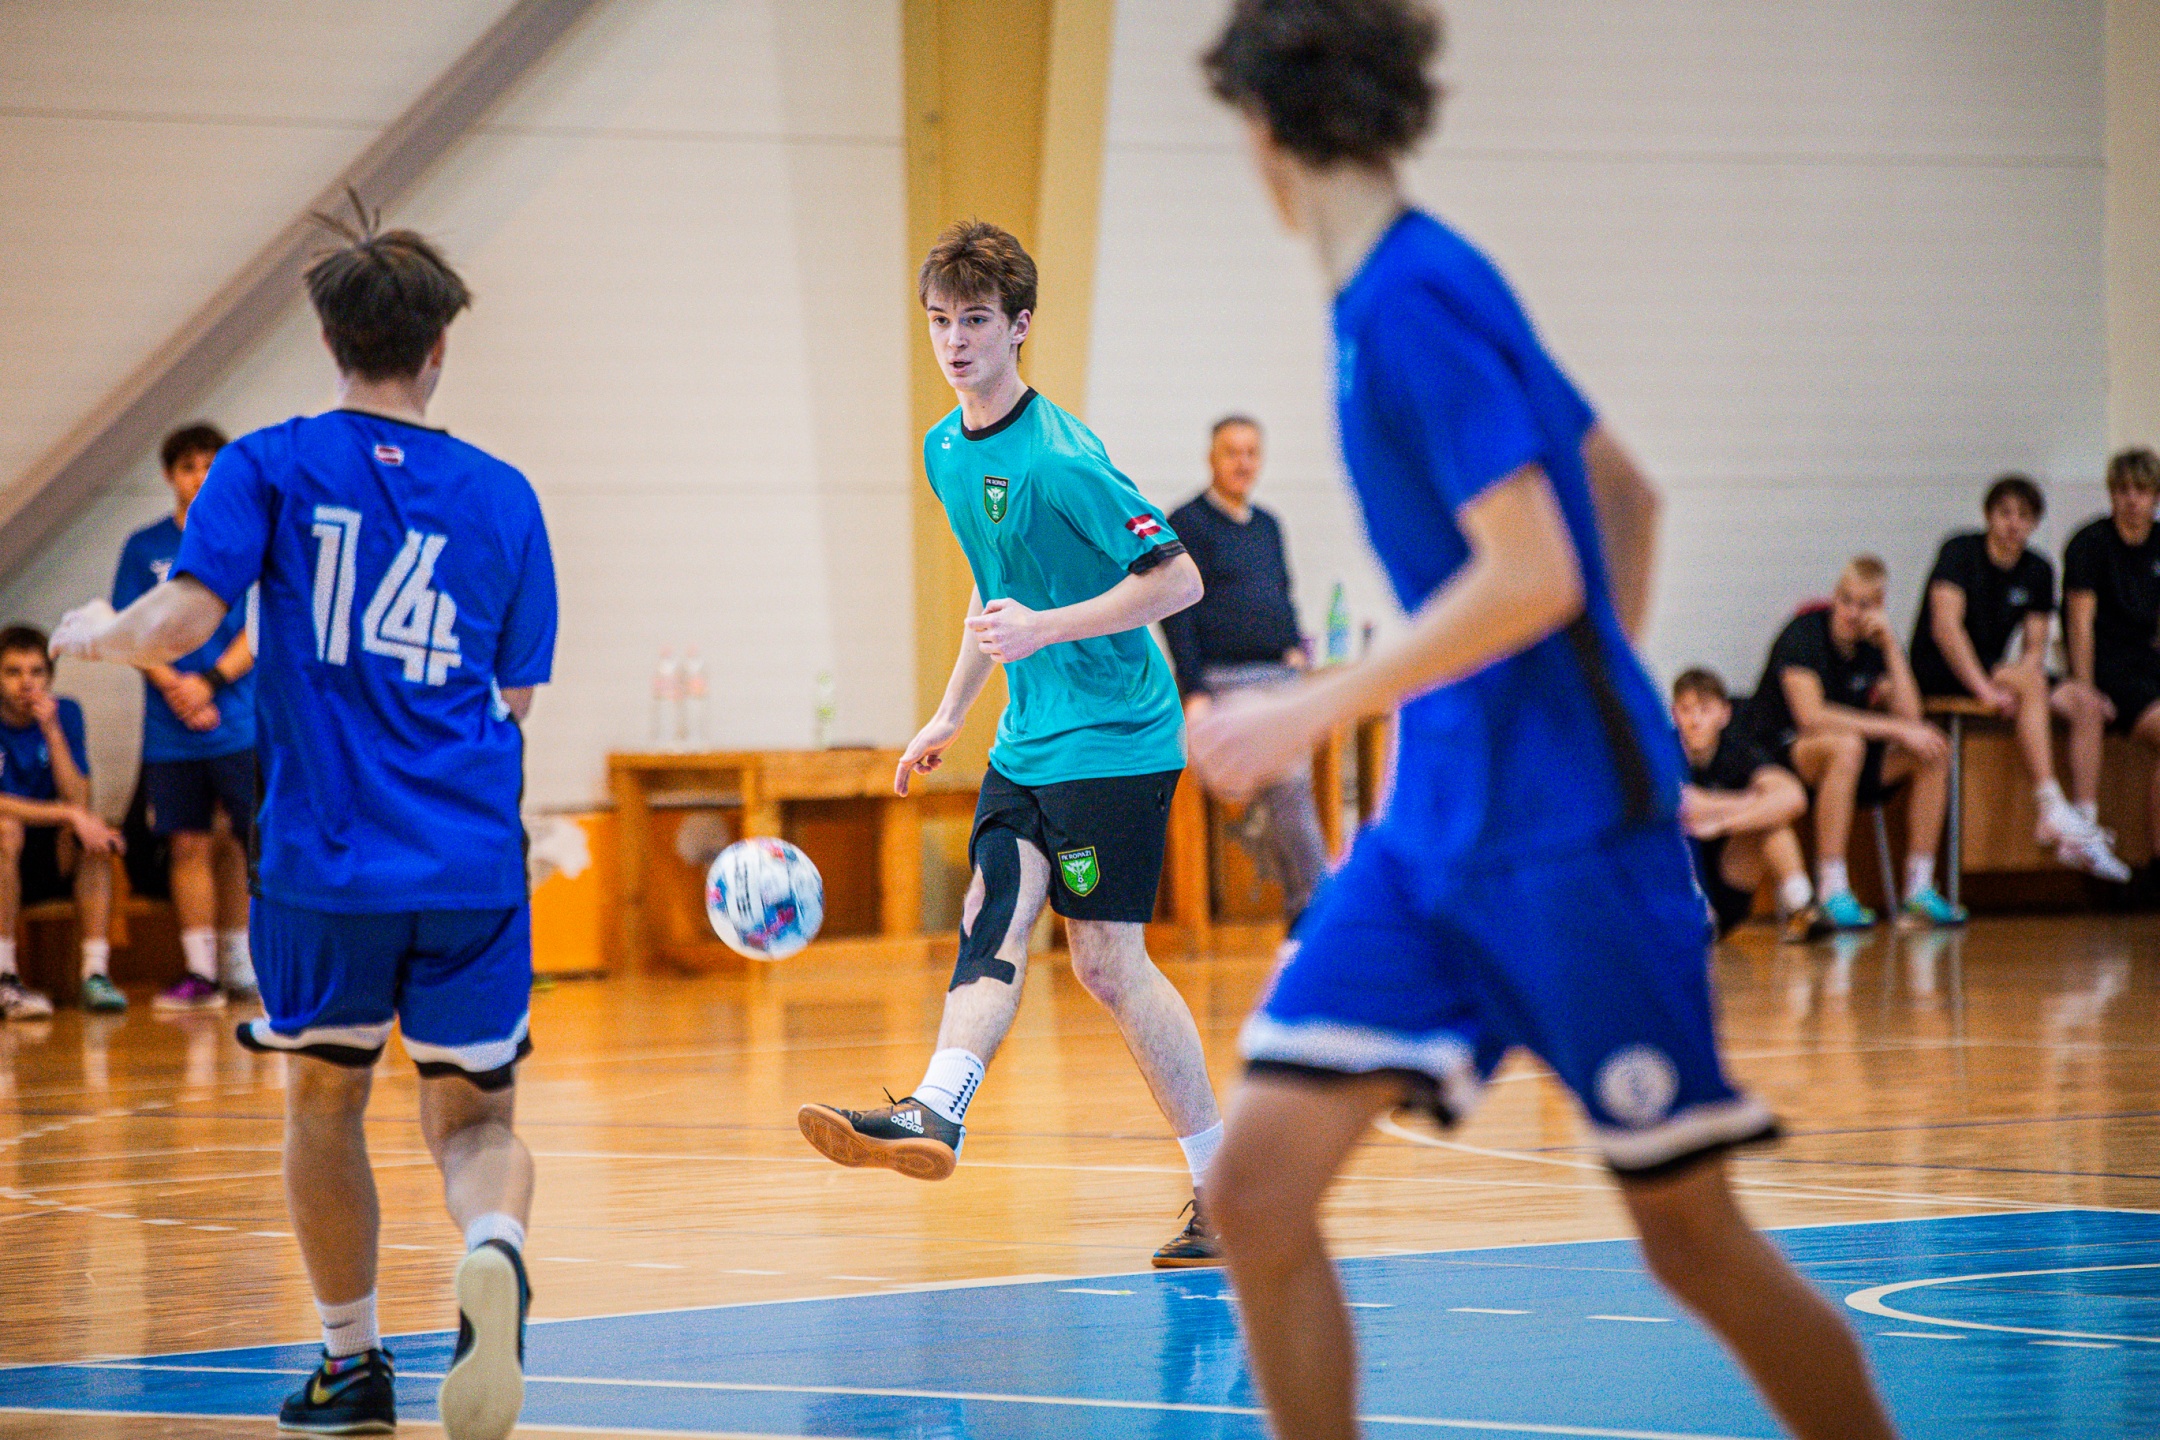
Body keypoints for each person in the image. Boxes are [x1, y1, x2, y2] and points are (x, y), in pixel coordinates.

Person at [1190, 5, 1900, 1438]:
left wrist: (1306, 710)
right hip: (1438, 837)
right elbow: (1627, 495)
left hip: (1574, 853)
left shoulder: (1412, 301)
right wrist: (1569, 703)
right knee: (1254, 1191)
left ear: (1263, 130)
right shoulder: (1408, 286)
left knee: (1691, 1241)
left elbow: (1537, 569)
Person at [52, 206, 554, 1440]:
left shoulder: (266, 464)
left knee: (324, 1106)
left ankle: (350, 1365)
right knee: (476, 1117)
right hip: (472, 859)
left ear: (330, 340)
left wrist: (97, 636)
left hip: (327, 864)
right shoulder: (505, 496)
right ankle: (493, 1244)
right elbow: (516, 698)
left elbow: (183, 619)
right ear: (438, 347)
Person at [796, 220, 1228, 1268]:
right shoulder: (946, 449)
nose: (954, 342)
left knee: (1108, 963)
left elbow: (1179, 580)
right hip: (1027, 738)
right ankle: (937, 1111)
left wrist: (1049, 628)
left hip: (1116, 740)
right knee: (989, 918)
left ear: (1020, 325)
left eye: (976, 321)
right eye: (940, 321)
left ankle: (1228, 1191)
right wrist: (950, 711)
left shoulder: (1063, 459)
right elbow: (996, 597)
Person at [113, 422, 263, 1010]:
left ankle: (242, 964)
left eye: (210, 465)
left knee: (248, 842)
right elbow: (129, 630)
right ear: (169, 475)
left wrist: (210, 683)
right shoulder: (144, 547)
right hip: (170, 732)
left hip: (238, 721)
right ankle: (201, 972)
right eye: (188, 467)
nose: (199, 477)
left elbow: (261, 626)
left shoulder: (247, 536)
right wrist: (176, 687)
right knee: (188, 844)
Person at [1913, 474, 2124, 880]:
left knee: (2085, 702)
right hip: (1941, 666)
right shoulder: (1960, 551)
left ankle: (2084, 826)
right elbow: (1946, 629)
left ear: (2034, 522)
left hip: (1995, 667)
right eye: (2005, 513)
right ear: (1989, 516)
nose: (2013, 524)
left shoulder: (2038, 569)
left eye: (2024, 516)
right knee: (2030, 684)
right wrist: (1985, 690)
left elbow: (2034, 648)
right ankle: (2049, 805)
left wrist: (2020, 679)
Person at [1163, 415, 1329, 925]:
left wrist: (1294, 647)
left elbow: (1281, 592)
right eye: (1231, 452)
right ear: (1211, 458)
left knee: (1296, 784)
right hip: (1224, 682)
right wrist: (1193, 687)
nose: (1242, 462)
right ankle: (1318, 908)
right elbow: (1176, 610)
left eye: (1251, 452)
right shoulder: (1187, 522)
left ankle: (1308, 910)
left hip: (1280, 675)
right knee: (1286, 783)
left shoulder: (1268, 525)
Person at [1742, 557, 1965, 930]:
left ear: (1878, 606)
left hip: (1852, 762)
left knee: (1933, 748)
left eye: (1864, 605)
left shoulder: (1875, 644)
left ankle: (1919, 888)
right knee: (1847, 746)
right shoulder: (1803, 634)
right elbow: (1811, 717)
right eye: (1845, 600)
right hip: (1786, 754)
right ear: (1835, 595)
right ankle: (1832, 888)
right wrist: (1895, 730)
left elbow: (1911, 717)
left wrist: (1891, 647)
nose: (1851, 613)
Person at [0, 628, 124, 1018]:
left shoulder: (65, 713)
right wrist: (68, 814)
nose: (26, 683)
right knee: (6, 829)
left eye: (36, 672)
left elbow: (78, 799)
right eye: (13, 672)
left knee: (95, 837)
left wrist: (52, 732)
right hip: (7, 852)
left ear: (50, 677)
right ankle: (4, 976)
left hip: (52, 852)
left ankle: (95, 974)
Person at [2062, 447, 2160, 898]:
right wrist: (2085, 687)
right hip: (2108, 666)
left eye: (2141, 490)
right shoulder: (2091, 543)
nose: (2132, 500)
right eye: (2123, 490)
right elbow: (2079, 623)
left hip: (2147, 661)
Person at [1671, 669, 1813, 941]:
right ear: (1674, 713)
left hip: (1731, 878)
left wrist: (1721, 822)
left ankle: (1803, 908)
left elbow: (1793, 797)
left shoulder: (1739, 751)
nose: (1695, 720)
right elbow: (1686, 805)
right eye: (1686, 710)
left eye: (1705, 710)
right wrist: (1747, 800)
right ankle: (1693, 911)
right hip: (1684, 884)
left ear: (1725, 713)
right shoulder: (1666, 753)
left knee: (1773, 823)